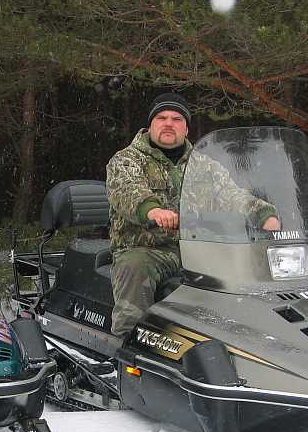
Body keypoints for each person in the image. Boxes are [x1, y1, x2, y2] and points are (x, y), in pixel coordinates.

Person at [106, 93, 280, 337]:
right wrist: (153, 210)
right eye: (162, 118)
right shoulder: (126, 159)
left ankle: (247, 335)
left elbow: (231, 194)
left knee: (247, 269)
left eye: (176, 119)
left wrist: (263, 214)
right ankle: (127, 340)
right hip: (147, 248)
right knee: (135, 265)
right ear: (150, 125)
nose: (169, 123)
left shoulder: (203, 165)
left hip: (196, 248)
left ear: (186, 128)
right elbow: (127, 190)